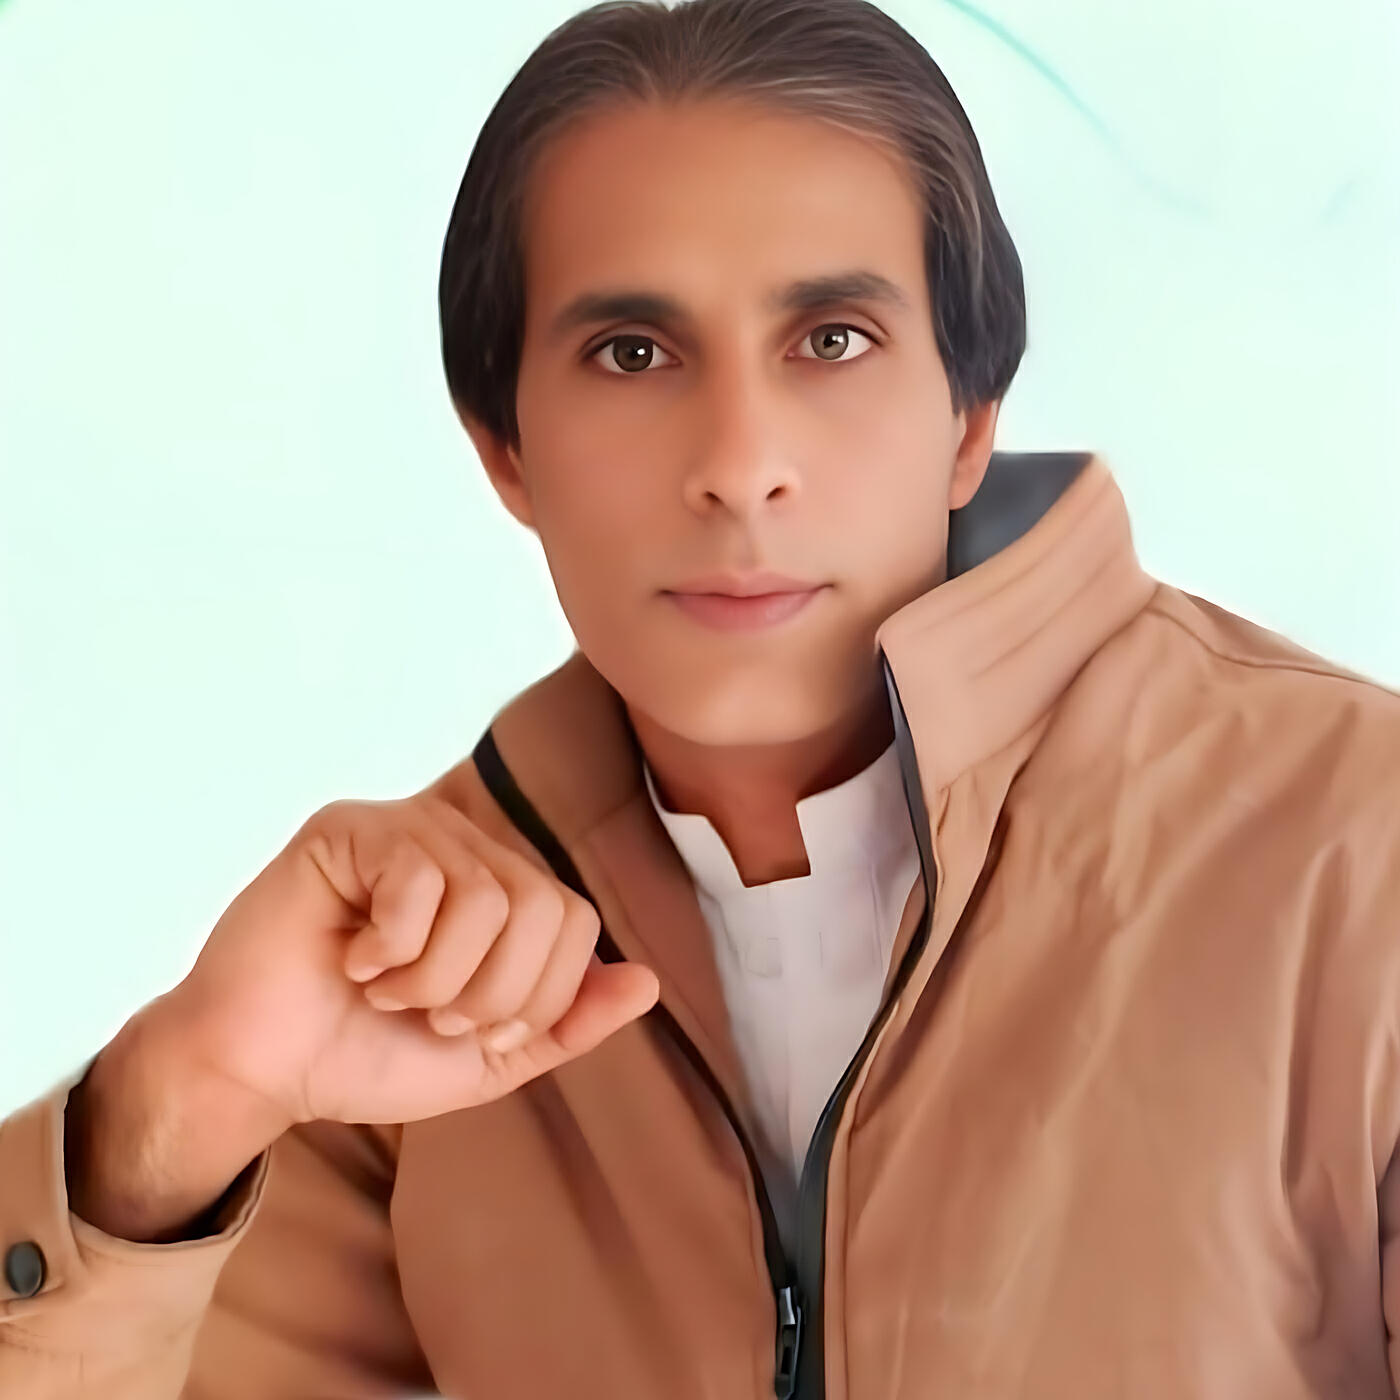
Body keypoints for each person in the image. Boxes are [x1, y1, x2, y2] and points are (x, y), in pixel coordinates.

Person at [3, 0, 1399, 1395]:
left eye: (833, 340)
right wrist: (180, 1104)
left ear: (971, 418)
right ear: (504, 448)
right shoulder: (408, 986)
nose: (739, 464)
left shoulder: (1359, 852)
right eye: (634, 353)